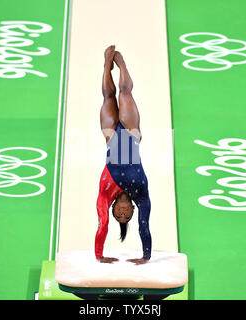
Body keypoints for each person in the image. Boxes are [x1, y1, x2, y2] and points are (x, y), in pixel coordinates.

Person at [94, 45, 152, 265]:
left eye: (119, 215)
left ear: (114, 209)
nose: (122, 214)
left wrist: (99, 256)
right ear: (132, 211)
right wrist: (146, 257)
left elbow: (102, 225)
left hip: (110, 136)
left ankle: (106, 67)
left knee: (108, 96)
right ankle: (122, 64)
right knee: (125, 93)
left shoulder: (105, 194)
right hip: (131, 134)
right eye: (125, 217)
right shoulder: (141, 195)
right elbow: (144, 227)